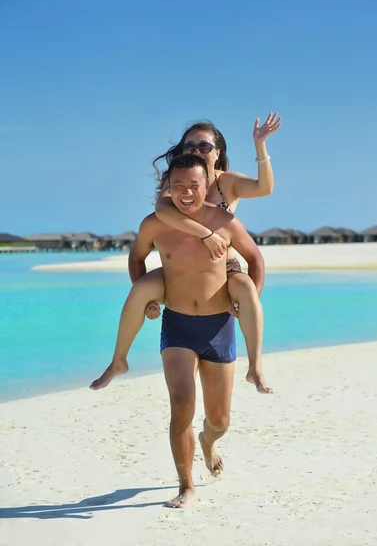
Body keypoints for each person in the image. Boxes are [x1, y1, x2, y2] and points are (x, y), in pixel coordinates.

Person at [107, 153, 272, 508]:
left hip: (219, 328)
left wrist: (248, 299)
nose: (186, 192)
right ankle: (186, 486)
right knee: (181, 404)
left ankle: (208, 442)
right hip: (178, 326)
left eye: (193, 185)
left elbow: (256, 258)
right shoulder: (154, 224)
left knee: (219, 420)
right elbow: (137, 257)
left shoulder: (226, 222)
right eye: (178, 185)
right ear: (168, 186)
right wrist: (149, 299)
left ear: (207, 185)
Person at [90, 112, 281, 392]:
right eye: (190, 146)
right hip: (179, 269)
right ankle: (118, 361)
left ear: (217, 153)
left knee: (248, 289)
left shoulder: (227, 182)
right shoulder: (176, 180)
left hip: (223, 269)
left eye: (204, 146)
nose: (197, 151)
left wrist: (260, 145)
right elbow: (162, 209)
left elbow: (265, 188)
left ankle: (255, 368)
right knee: (140, 290)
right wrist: (206, 234)